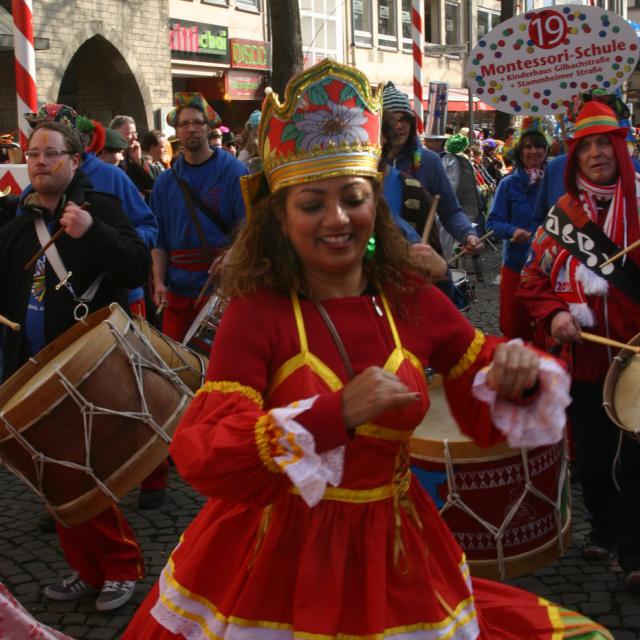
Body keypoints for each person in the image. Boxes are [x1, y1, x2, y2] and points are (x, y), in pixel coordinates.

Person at [123, 59, 611, 640]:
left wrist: (518, 372)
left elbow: (481, 374)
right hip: (282, 560)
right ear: (279, 216)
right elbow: (205, 449)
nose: (337, 219)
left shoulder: (409, 297)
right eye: (312, 204)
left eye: (353, 198)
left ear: (374, 204)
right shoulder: (258, 313)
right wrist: (333, 416)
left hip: (398, 548)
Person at [0, 121, 150, 611]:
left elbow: (136, 268)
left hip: (90, 365)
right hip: (32, 368)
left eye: (51, 153)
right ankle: (87, 569)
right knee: (52, 478)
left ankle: (121, 566)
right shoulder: (18, 222)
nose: (40, 161)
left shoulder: (100, 209)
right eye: (33, 154)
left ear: (75, 160)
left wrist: (93, 233)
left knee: (83, 473)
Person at [519, 102, 640, 592]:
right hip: (585, 358)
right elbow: (532, 279)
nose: (595, 154)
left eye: (604, 144)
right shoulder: (562, 218)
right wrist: (555, 314)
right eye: (585, 147)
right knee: (591, 454)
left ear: (620, 149)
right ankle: (604, 527)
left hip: (637, 359)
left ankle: (632, 550)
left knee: (635, 458)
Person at [151, 92, 248, 342]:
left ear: (208, 127)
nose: (191, 129)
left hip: (222, 292)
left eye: (197, 122)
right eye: (184, 124)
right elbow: (160, 239)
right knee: (175, 363)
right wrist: (159, 282)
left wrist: (233, 254)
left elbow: (250, 228)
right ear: (177, 131)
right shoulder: (165, 181)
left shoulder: (234, 171)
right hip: (177, 295)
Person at [381, 82, 481, 259]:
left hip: (421, 261)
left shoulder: (429, 162)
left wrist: (467, 234)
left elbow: (450, 211)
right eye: (392, 120)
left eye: (404, 119)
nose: (400, 126)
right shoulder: (368, 163)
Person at [487, 120, 548, 341]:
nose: (534, 151)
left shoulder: (553, 181)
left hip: (548, 269)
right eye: (528, 147)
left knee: (546, 328)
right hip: (516, 265)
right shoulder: (508, 184)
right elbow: (493, 224)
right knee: (514, 327)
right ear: (520, 152)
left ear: (546, 150)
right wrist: (513, 231)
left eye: (539, 146)